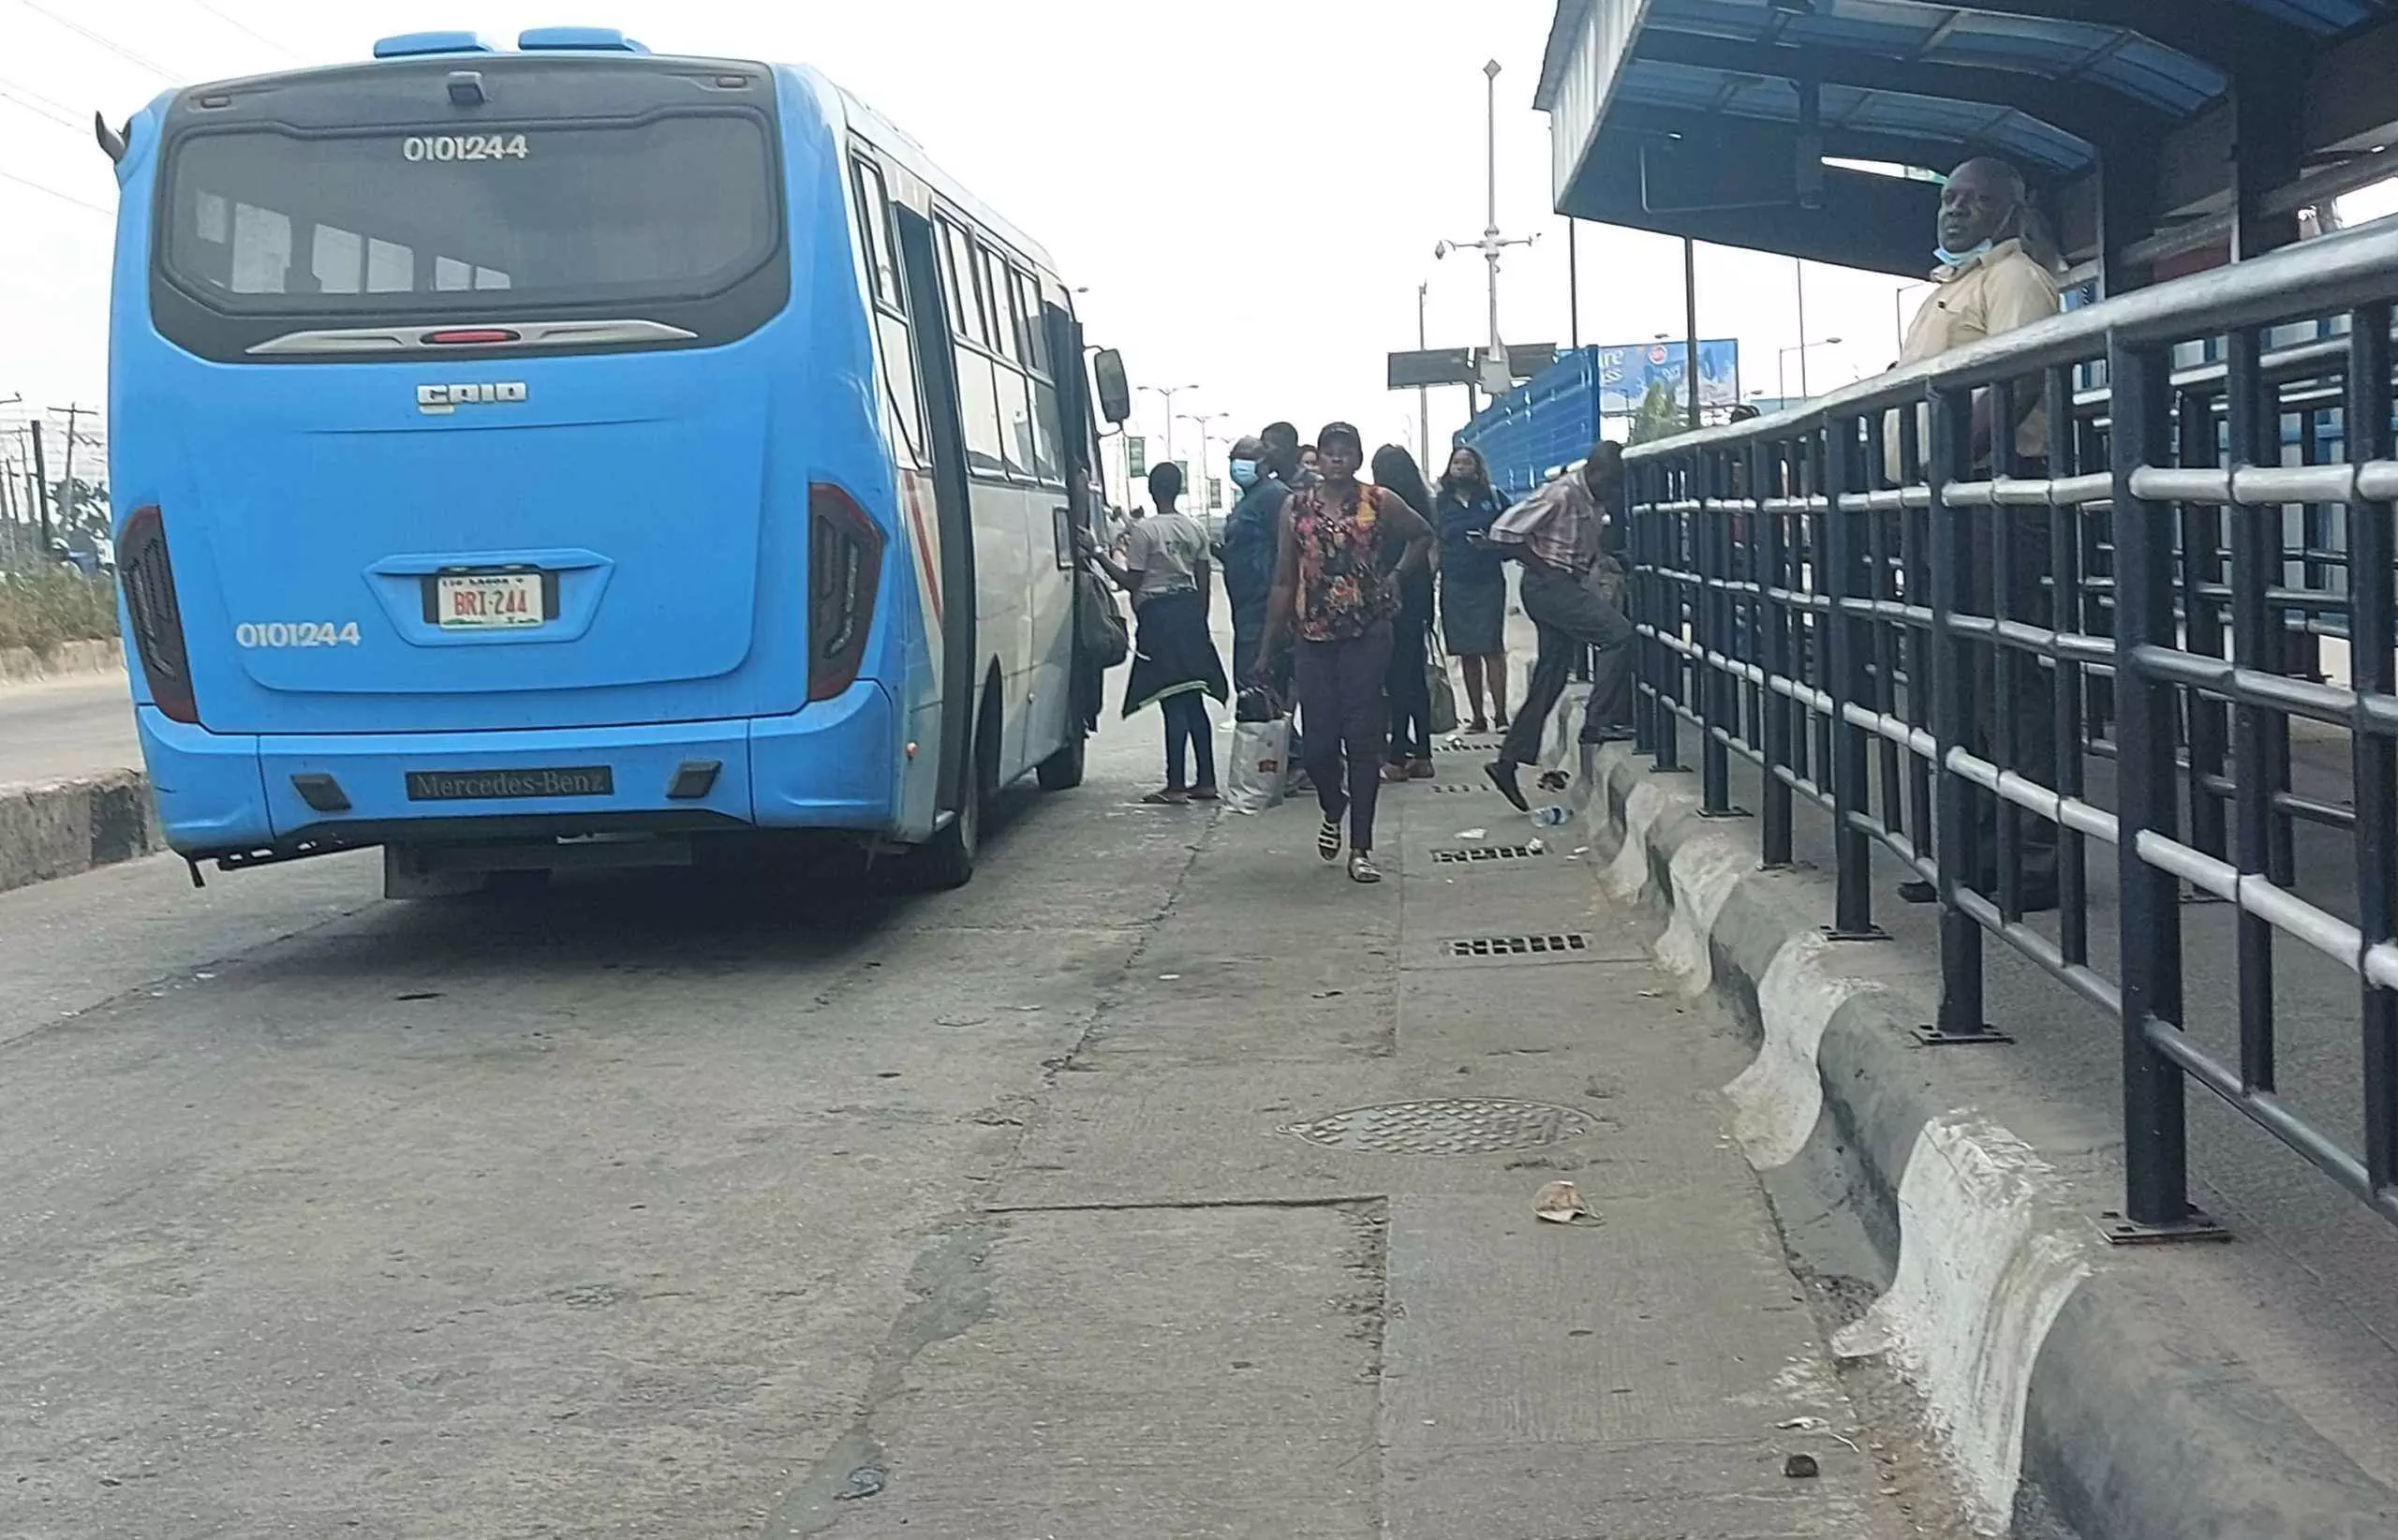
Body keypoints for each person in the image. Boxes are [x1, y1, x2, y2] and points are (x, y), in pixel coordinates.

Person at [1888, 155, 2065, 911]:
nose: (1955, 210)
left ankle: (2033, 862)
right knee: (1949, 684)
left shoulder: (2016, 279)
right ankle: (1973, 855)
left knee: (2003, 679)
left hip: (1989, 495)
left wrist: (1950, 465)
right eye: (1949, 196)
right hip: (1939, 502)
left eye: (1975, 200)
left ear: (2009, 210)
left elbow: (2018, 376)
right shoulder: (1949, 289)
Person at [1256, 422, 1434, 883]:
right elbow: (1283, 578)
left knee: (1362, 739)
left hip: (1367, 634)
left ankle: (1361, 847)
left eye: (1346, 451)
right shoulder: (1294, 508)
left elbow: (1422, 533)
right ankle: (1334, 805)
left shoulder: (1379, 501)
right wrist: (1266, 648)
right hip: (1312, 637)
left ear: (1357, 457)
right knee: (1317, 746)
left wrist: (1396, 577)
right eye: (1330, 451)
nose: (1337, 459)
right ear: (1320, 456)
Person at [1479, 441, 1636, 813]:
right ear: (1595, 473)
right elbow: (1502, 532)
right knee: (1618, 634)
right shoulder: (1562, 493)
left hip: (1564, 583)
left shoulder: (1593, 499)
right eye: (1610, 482)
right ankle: (1598, 721)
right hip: (1550, 586)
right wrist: (1542, 568)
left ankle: (1507, 762)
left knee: (1550, 675)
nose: (1612, 491)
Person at [1084, 462, 1227, 804]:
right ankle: (1206, 780)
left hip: (1159, 618)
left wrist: (1098, 553)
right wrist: (1198, 621)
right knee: (1194, 699)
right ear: (1179, 489)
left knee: (1172, 700)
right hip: (1190, 615)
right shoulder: (1195, 529)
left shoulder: (1145, 532)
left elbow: (1131, 581)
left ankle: (1175, 784)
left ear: (1151, 490)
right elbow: (1204, 579)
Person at [1369, 444, 1439, 781]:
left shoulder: (1381, 506)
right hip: (1418, 591)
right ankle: (1422, 753)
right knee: (1414, 673)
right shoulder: (1422, 505)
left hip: (1390, 592)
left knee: (1394, 676)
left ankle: (1397, 754)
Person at [1433, 445, 1508, 733]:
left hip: (1487, 580)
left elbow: (1514, 530)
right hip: (1455, 582)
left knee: (1492, 647)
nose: (1461, 467)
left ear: (1478, 468)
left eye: (1467, 462)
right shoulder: (1439, 503)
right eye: (1457, 462)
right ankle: (1478, 717)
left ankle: (1500, 715)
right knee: (1466, 651)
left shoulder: (1493, 498)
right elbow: (1434, 541)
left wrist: (1492, 544)